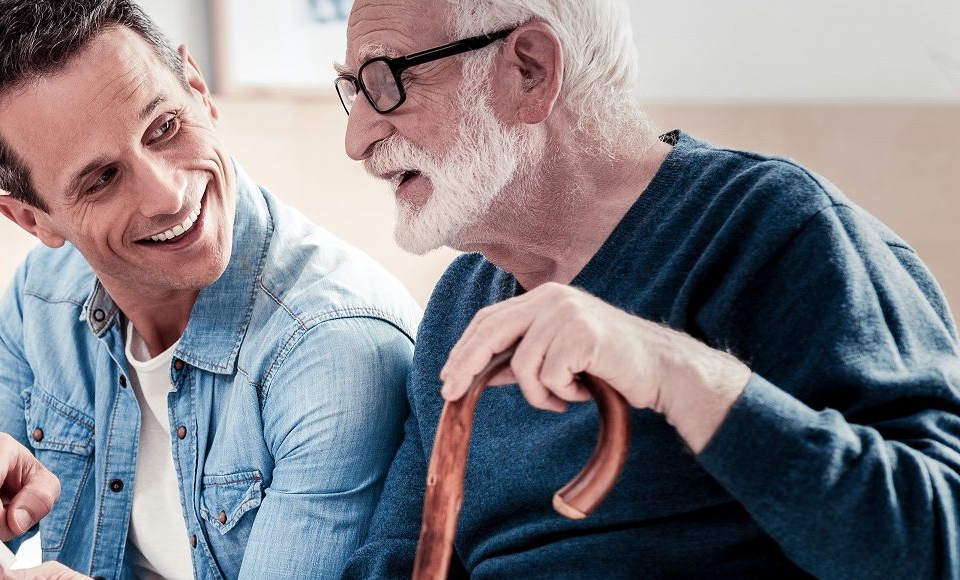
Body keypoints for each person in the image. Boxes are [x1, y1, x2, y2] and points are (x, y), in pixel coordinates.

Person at [334, 0, 960, 577]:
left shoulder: (775, 229)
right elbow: (399, 557)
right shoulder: (458, 304)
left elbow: (938, 544)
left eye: (387, 81)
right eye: (351, 91)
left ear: (530, 69)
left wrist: (672, 368)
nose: (356, 140)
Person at [0, 1, 423, 579]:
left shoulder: (332, 349)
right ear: (34, 221)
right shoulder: (44, 301)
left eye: (164, 127)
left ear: (198, 89)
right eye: (102, 179)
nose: (167, 195)